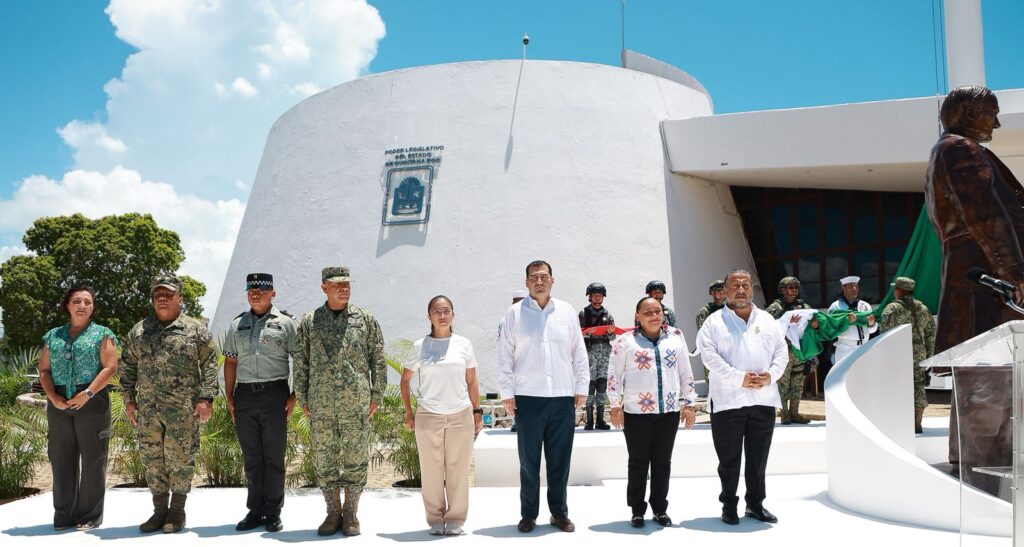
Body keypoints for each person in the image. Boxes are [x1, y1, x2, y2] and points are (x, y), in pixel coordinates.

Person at [925, 85, 1024, 469]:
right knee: (989, 381)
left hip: (984, 278)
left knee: (996, 382)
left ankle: (989, 469)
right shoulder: (958, 149)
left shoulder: (956, 150)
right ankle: (981, 475)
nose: (997, 122)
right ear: (967, 112)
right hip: (987, 285)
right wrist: (1014, 272)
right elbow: (984, 213)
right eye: (991, 113)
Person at [120, 273, 218, 534]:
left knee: (181, 460)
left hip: (182, 410)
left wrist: (206, 397)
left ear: (179, 298)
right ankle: (159, 510)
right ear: (153, 299)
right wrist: (128, 399)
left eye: (168, 294)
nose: (162, 298)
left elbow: (209, 362)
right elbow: (127, 365)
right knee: (153, 460)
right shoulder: (139, 331)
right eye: (158, 294)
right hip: (148, 410)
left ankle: (177, 511)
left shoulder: (194, 329)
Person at [497, 260, 589, 533]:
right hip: (528, 397)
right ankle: (528, 514)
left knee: (560, 459)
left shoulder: (567, 311)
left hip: (562, 397)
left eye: (544, 276)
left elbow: (578, 352)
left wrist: (581, 387)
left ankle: (559, 513)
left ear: (552, 280)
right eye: (534, 277)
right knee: (529, 461)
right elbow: (505, 355)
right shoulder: (514, 314)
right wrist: (507, 392)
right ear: (526, 282)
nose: (539, 281)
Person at [294, 266, 386, 536]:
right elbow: (301, 362)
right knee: (324, 459)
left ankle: (351, 513)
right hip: (321, 403)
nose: (344, 288)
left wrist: (376, 394)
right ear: (324, 287)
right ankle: (332, 512)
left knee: (356, 458)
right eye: (337, 285)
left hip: (355, 402)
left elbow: (377, 358)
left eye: (347, 283)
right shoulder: (310, 321)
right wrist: (303, 396)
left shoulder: (364, 319)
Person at [697, 269, 788, 526]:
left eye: (745, 285)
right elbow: (709, 357)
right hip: (728, 401)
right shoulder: (713, 323)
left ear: (751, 289)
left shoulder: (768, 320)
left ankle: (755, 505)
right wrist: (739, 378)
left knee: (758, 458)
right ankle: (728, 505)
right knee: (729, 459)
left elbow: (782, 351)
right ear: (725, 291)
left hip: (763, 399)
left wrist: (770, 375)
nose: (740, 289)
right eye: (734, 285)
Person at [608, 296, 697, 528]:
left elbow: (686, 373)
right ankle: (637, 510)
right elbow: (613, 376)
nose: (654, 316)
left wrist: (689, 403)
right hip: (636, 413)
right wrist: (615, 405)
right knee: (638, 462)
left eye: (658, 311)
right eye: (647, 312)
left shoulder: (675, 339)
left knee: (662, 462)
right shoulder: (624, 341)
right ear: (637, 316)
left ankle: (660, 509)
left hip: (667, 412)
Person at [401, 295, 483, 536]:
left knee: (458, 468)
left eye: (447, 310)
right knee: (431, 469)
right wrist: (408, 411)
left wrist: (477, 412)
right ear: (429, 317)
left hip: (460, 414)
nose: (442, 315)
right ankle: (435, 519)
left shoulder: (464, 344)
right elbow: (405, 381)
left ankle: (456, 518)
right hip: (428, 415)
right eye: (437, 311)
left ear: (453, 315)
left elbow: (472, 380)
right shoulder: (420, 346)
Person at [38, 286, 118, 530]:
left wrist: (88, 393)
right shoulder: (53, 336)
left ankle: (89, 516)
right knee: (61, 459)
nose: (82, 305)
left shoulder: (103, 334)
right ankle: (63, 515)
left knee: (94, 459)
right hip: (59, 400)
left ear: (93, 307)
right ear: (68, 305)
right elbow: (44, 370)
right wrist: (52, 396)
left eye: (87, 302)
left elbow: (109, 367)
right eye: (76, 301)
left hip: (92, 400)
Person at [222, 273, 298, 533]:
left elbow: (300, 360)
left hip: (274, 393)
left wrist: (295, 394)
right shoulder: (237, 324)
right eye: (251, 290)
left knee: (274, 456)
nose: (255, 294)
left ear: (272, 293)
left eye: (261, 290)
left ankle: (273, 512)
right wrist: (230, 396)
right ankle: (255, 511)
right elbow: (230, 361)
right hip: (244, 395)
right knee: (252, 457)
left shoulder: (286, 323)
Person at [879, 277, 936, 434]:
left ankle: (897, 423)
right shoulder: (923, 308)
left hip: (897, 353)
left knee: (895, 385)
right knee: (918, 386)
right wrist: (928, 357)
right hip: (919, 353)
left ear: (898, 291)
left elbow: (883, 336)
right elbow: (931, 334)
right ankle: (916, 423)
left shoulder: (892, 309)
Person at [764, 276, 816, 424]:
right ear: (782, 290)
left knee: (798, 383)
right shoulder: (775, 308)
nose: (794, 290)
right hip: (782, 351)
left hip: (799, 351)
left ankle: (795, 413)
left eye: (796, 287)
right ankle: (784, 413)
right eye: (790, 287)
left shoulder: (804, 307)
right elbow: (765, 327)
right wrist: (786, 321)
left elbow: (811, 325)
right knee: (782, 383)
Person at [579, 282, 615, 431]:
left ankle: (600, 419)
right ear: (590, 296)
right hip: (589, 352)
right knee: (590, 385)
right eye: (595, 295)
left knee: (601, 384)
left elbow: (612, 337)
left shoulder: (608, 315)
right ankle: (589, 420)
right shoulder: (583, 314)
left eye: (600, 295)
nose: (597, 297)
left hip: (604, 353)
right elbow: (577, 334)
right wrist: (589, 332)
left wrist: (611, 331)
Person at [827, 276, 877, 365]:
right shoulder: (835, 307)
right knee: (845, 378)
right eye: (850, 286)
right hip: (846, 349)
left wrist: (871, 324)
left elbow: (872, 330)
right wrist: (847, 321)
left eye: (856, 286)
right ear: (843, 288)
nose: (854, 289)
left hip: (865, 347)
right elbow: (830, 329)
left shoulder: (865, 306)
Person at [696, 279, 727, 383]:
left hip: (726, 352)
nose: (722, 295)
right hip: (712, 353)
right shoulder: (706, 311)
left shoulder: (728, 310)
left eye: (724, 292)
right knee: (713, 384)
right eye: (719, 292)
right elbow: (702, 335)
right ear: (713, 293)